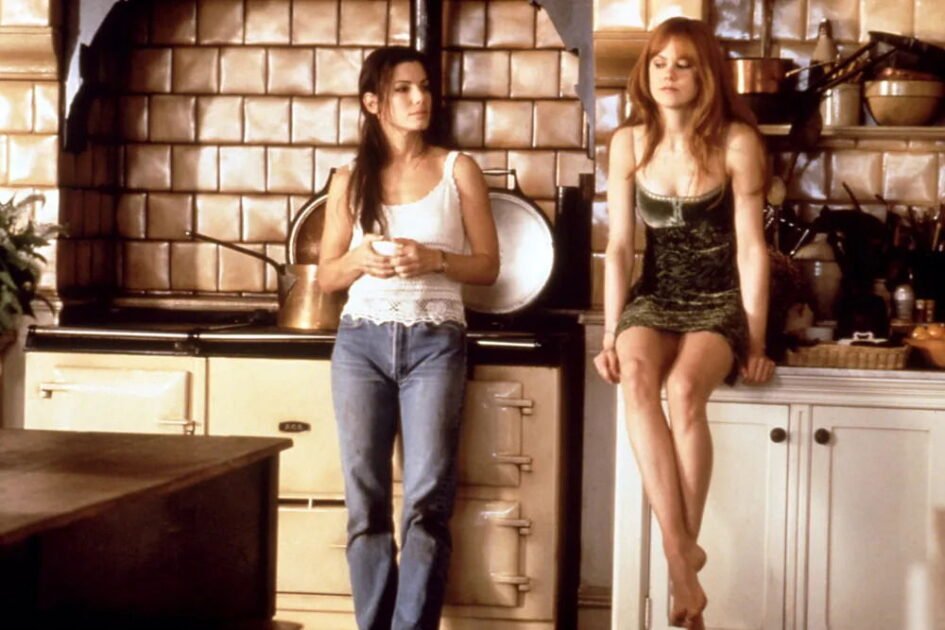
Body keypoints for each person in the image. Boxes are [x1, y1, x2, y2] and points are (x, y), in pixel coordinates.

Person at [592, 17, 776, 629]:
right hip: (656, 294)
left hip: (718, 297)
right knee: (636, 377)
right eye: (659, 62)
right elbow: (620, 247)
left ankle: (677, 559)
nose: (669, 74)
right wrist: (611, 332)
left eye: (684, 64)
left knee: (683, 389)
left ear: (706, 76)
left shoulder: (737, 143)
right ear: (645, 73)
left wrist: (755, 339)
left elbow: (751, 249)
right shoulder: (627, 144)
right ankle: (683, 557)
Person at [317, 46, 499, 630]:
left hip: (435, 345)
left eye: (424, 87)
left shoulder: (458, 169)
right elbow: (326, 277)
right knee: (365, 503)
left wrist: (434, 259)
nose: (420, 99)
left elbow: (489, 266)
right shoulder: (349, 179)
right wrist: (360, 259)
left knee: (426, 503)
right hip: (360, 347)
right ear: (373, 103)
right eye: (403, 89)